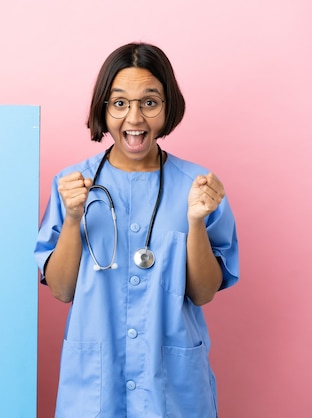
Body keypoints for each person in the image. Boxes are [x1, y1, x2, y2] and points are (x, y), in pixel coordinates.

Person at [34, 42, 239, 418]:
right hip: (95, 386)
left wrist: (195, 222)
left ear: (167, 107)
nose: (134, 118)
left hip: (172, 388)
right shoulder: (72, 184)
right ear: (104, 108)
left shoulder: (199, 187)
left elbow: (204, 292)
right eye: (119, 103)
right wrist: (74, 217)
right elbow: (61, 290)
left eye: (149, 102)